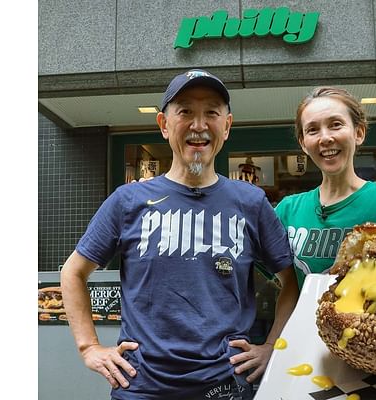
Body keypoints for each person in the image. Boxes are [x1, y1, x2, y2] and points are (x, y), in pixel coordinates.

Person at [60, 69, 297, 400]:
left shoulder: (251, 202)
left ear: (226, 126)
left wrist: (273, 346)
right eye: (185, 111)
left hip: (224, 386)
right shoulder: (128, 201)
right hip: (140, 387)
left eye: (211, 113)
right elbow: (73, 272)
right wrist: (89, 347)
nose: (198, 125)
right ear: (164, 125)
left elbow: (291, 281)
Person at [274, 86, 376, 289]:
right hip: (302, 321)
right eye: (312, 129)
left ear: (358, 133)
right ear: (303, 143)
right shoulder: (287, 210)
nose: (325, 138)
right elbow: (287, 287)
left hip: (367, 321)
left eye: (335, 125)